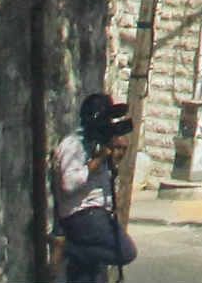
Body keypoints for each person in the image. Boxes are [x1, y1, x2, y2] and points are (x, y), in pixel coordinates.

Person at [52, 92, 137, 281]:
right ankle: (69, 248)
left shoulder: (93, 144)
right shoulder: (73, 145)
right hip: (83, 213)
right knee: (125, 251)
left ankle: (76, 253)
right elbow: (69, 183)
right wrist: (98, 161)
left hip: (96, 214)